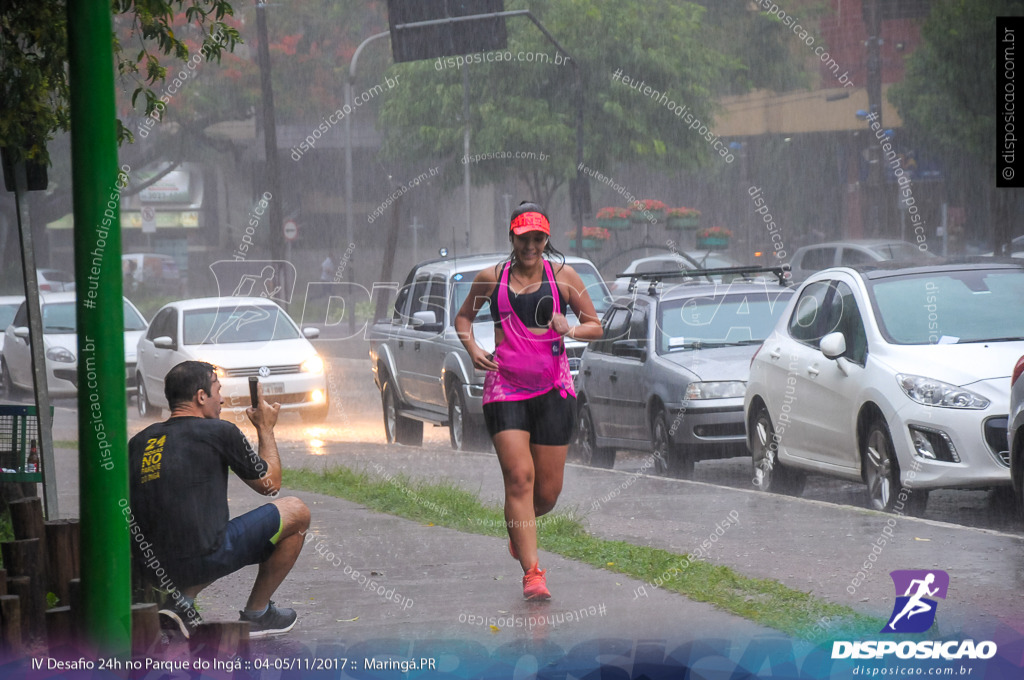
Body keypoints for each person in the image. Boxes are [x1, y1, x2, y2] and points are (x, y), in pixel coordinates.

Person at [454, 202, 603, 600]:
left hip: (553, 390)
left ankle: (521, 533)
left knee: (547, 496)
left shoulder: (564, 278)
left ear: (546, 239)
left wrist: (569, 327)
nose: (531, 246)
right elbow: (462, 319)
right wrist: (472, 348)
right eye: (524, 238)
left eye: (538, 238)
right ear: (512, 237)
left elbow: (596, 326)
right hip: (505, 389)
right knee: (519, 478)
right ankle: (533, 573)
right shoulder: (492, 279)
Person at [128, 360, 311, 638]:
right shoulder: (220, 431)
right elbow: (270, 484)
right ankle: (257, 614)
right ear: (201, 396)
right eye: (217, 389)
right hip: (203, 558)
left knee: (201, 534)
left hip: (150, 566)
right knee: (296, 511)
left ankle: (181, 605)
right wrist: (265, 428)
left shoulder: (140, 441)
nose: (222, 399)